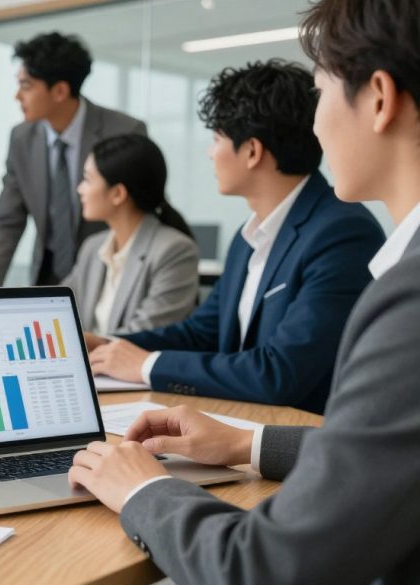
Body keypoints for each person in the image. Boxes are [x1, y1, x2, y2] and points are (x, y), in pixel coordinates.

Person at [70, 0, 420, 581]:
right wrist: (248, 443)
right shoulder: (255, 236)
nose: (314, 123)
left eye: (323, 92)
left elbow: (266, 566)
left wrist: (142, 491)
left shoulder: (399, 285)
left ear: (378, 99)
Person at [84, 59, 385, 414]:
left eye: (216, 139)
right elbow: (201, 333)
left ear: (252, 152)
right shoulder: (249, 238)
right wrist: (107, 346)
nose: (210, 153)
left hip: (298, 447)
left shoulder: (341, 232)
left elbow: (280, 372)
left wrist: (146, 366)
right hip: (236, 424)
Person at [0, 32, 146, 287]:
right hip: (46, 276)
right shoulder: (22, 138)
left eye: (26, 86)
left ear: (59, 91)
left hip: (107, 276)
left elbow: (138, 213)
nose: (17, 96)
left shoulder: (124, 132)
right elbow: (8, 219)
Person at [62, 134, 198, 336]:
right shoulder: (93, 247)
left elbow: (146, 334)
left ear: (118, 193)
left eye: (88, 180)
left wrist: (81, 342)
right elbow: (57, 304)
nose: (80, 189)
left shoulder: (174, 251)